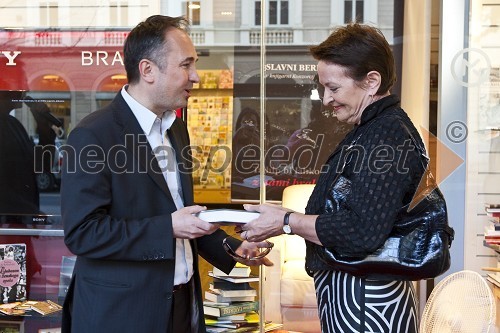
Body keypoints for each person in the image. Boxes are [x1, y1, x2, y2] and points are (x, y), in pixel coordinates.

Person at [60, 15, 272, 333]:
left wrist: (230, 247)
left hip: (182, 307)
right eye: (186, 65)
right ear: (147, 70)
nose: (196, 76)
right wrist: (168, 227)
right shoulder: (93, 136)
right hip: (121, 316)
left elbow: (176, 213)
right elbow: (83, 234)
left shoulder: (176, 129)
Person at [240, 23, 425, 332]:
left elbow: (362, 231)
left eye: (334, 88)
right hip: (359, 298)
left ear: (371, 81)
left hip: (366, 302)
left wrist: (286, 221)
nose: (325, 99)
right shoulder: (373, 129)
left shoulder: (387, 134)